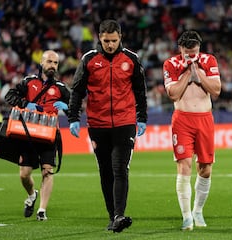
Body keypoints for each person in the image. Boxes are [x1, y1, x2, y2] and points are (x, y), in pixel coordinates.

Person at [68, 19, 148, 233]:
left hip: (124, 123)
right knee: (105, 172)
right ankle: (113, 217)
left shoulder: (131, 59)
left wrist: (142, 117)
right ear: (99, 38)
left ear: (120, 37)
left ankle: (119, 215)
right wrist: (73, 117)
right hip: (98, 125)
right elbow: (77, 91)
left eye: (113, 40)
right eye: (106, 41)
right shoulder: (89, 60)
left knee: (120, 169)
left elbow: (140, 91)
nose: (110, 45)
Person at [162, 30, 221, 231]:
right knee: (184, 165)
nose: (192, 56)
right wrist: (187, 73)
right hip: (183, 120)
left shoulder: (209, 60)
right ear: (180, 49)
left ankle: (198, 210)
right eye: (188, 53)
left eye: (194, 52)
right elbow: (173, 94)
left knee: (205, 169)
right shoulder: (171, 64)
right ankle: (187, 217)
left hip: (205, 119)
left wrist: (199, 75)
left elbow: (216, 90)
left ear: (199, 48)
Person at [5, 50, 70, 221]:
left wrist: (68, 107)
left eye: (55, 63)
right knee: (24, 174)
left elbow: (77, 105)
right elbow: (9, 96)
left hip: (49, 135)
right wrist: (26, 103)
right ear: (41, 63)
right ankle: (32, 194)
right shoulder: (29, 82)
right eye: (49, 62)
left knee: (47, 172)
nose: (52, 66)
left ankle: (42, 210)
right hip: (29, 134)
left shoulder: (61, 88)